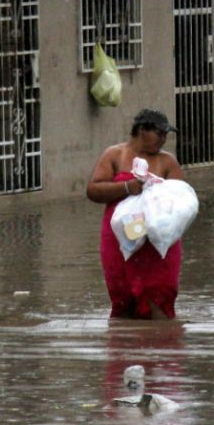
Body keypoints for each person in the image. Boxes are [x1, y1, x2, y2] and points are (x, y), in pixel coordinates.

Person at [87, 108, 185, 320]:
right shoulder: (115, 155)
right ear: (142, 130)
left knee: (160, 299)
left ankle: (164, 340)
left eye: (166, 135)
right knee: (123, 300)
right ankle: (125, 341)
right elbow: (93, 190)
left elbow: (182, 202)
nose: (163, 139)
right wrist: (127, 187)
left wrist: (156, 192)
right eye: (159, 133)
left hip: (158, 241)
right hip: (120, 239)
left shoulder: (168, 162)